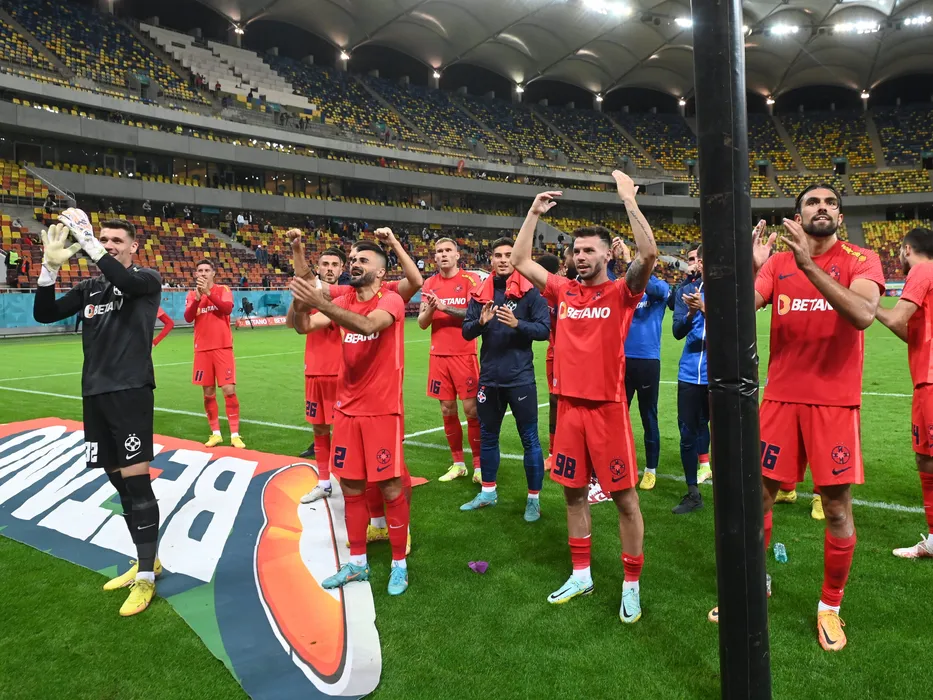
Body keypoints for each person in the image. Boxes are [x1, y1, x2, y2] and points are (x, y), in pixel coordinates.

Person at [709, 185, 885, 652]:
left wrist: (809, 265)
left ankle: (830, 606)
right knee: (758, 501)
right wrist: (751, 271)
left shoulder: (862, 259)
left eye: (829, 203)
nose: (821, 208)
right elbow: (741, 313)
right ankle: (753, 586)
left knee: (837, 508)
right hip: (781, 401)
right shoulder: (777, 263)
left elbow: (863, 314)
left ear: (840, 216)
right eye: (812, 202)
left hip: (834, 404)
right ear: (798, 214)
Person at [510, 171, 657, 623]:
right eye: (576, 250)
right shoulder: (563, 289)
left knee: (625, 500)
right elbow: (519, 259)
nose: (580, 256)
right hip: (568, 409)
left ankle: (631, 583)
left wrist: (628, 200)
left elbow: (648, 254)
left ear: (608, 254)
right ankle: (581, 575)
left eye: (589, 250)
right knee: (573, 495)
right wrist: (533, 213)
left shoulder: (622, 292)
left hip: (608, 410)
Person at [33, 212, 162, 616]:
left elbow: (124, 281)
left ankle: (146, 577)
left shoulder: (146, 279)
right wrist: (49, 269)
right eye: (103, 239)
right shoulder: (90, 288)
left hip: (130, 391)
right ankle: (148, 559)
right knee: (119, 484)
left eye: (116, 241)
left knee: (137, 483)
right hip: (95, 394)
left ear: (133, 246)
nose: (108, 245)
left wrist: (88, 243)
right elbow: (44, 314)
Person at [290, 241, 411, 596]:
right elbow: (303, 327)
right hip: (345, 410)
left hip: (382, 411)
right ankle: (357, 563)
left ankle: (399, 564)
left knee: (390, 487)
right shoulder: (343, 301)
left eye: (363, 260)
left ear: (381, 271)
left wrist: (321, 301)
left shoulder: (391, 300)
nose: (355, 263)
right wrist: (300, 304)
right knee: (351, 488)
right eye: (353, 259)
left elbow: (368, 324)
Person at [459, 237, 549, 521]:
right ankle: (488, 492)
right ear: (491, 259)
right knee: (488, 437)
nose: (502, 260)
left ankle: (533, 499)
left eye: (508, 255)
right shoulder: (481, 293)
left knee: (530, 439)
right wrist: (481, 323)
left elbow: (545, 330)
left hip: (520, 379)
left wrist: (518, 324)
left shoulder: (530, 292)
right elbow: (466, 332)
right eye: (497, 255)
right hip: (489, 379)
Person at [874, 226, 933, 559]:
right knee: (925, 457)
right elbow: (913, 334)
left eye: (900, 251)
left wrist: (868, 306)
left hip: (931, 380)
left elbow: (897, 319)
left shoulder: (921, 271)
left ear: (907, 249)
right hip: (925, 375)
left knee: (929, 458)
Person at [419, 238, 482, 483]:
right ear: (434, 257)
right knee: (447, 409)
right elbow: (422, 323)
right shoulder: (429, 283)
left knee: (472, 410)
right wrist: (432, 308)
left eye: (448, 250)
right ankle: (458, 464)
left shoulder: (470, 280)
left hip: (464, 354)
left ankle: (479, 465)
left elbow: (474, 313)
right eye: (439, 251)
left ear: (457, 255)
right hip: (438, 356)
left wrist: (444, 307)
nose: (443, 254)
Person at [287, 243, 347, 498]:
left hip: (341, 374)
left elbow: (314, 324)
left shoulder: (345, 297)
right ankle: (324, 483)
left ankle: (348, 483)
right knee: (319, 430)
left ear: (342, 269)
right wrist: (299, 296)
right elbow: (291, 323)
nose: (330, 269)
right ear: (318, 268)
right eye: (325, 264)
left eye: (335, 265)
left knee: (344, 432)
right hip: (314, 371)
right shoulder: (311, 295)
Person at [617, 239, 670, 492]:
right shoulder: (626, 287)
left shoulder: (661, 287)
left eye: (647, 259)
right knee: (618, 417)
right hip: (622, 360)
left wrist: (632, 262)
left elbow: (654, 289)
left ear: (655, 263)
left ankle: (650, 470)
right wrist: (613, 259)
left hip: (648, 361)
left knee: (648, 416)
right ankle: (620, 463)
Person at [184, 260, 244, 449]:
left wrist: (208, 294)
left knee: (228, 389)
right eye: (200, 270)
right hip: (202, 349)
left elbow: (227, 309)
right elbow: (188, 318)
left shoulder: (223, 289)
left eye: (207, 270)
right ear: (196, 274)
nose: (203, 273)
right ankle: (216, 433)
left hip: (222, 347)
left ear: (213, 273)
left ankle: (235, 434)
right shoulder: (192, 294)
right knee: (208, 392)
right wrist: (197, 298)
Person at [671, 244, 711, 514]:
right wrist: (691, 314)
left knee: (727, 435)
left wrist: (705, 308)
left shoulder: (731, 291)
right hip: (689, 375)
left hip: (720, 376)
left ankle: (733, 491)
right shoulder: (686, 291)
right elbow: (677, 331)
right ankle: (692, 493)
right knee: (687, 433)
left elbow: (735, 328)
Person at [536, 253, 562, 468]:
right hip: (554, 353)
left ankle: (570, 447)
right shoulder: (537, 295)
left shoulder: (563, 290)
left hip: (572, 355)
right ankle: (554, 451)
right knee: (554, 401)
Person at [668, 245, 700, 311]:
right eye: (691, 259)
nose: (696, 261)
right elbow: (672, 305)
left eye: (698, 257)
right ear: (688, 263)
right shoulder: (686, 283)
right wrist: (689, 278)